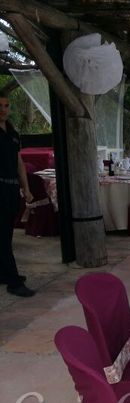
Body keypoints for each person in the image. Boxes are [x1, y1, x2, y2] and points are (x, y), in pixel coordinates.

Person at [0, 93, 35, 297]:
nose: (3, 109)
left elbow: (19, 162)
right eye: (0, 105)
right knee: (3, 236)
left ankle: (4, 272)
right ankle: (13, 281)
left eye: (6, 105)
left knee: (7, 232)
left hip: (12, 189)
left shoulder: (12, 132)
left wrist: (26, 188)